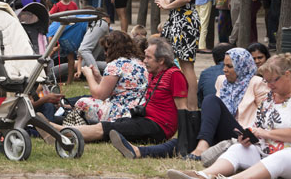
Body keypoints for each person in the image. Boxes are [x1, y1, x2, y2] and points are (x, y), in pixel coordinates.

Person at [114, 48, 269, 160]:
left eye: (230, 66)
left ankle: (202, 147)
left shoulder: (257, 83)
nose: (224, 70)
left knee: (210, 100)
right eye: (224, 65)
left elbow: (265, 116)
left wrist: (253, 133)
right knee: (185, 140)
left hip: (243, 134)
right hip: (220, 130)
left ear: (242, 67)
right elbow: (217, 113)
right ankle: (139, 151)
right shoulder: (222, 81)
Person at [166, 54, 291, 179]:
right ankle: (203, 175)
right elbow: (258, 125)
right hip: (264, 150)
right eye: (266, 81)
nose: (269, 85)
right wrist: (250, 136)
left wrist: (265, 133)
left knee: (281, 157)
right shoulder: (271, 96)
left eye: (272, 81)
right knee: (238, 148)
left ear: (287, 75)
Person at [55, 38, 188, 144]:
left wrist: (183, 142)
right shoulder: (153, 73)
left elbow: (183, 109)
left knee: (106, 128)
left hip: (157, 126)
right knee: (112, 126)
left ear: (161, 60)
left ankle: (59, 131)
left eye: (148, 58)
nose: (144, 60)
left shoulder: (174, 75)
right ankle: (55, 127)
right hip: (143, 117)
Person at [156, 0, 200, 110]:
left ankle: (191, 109)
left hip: (185, 20)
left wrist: (168, 5)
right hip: (178, 19)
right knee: (172, 60)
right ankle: (177, 105)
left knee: (186, 65)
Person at [73, 31, 147, 124]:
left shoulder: (115, 65)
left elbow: (99, 95)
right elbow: (119, 87)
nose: (105, 52)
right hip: (138, 110)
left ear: (113, 49)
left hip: (120, 112)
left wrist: (89, 75)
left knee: (82, 102)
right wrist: (99, 77)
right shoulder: (139, 63)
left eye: (106, 49)